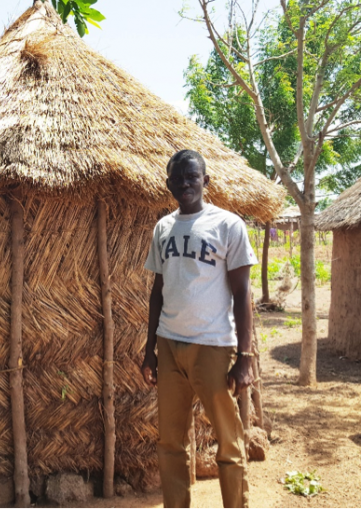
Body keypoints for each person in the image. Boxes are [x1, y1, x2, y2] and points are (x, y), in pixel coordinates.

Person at [141, 149, 256, 509]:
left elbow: (242, 293)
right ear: (168, 183)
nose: (185, 184)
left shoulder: (227, 225)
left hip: (212, 346)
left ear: (206, 181)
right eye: (177, 178)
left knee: (229, 441)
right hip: (169, 345)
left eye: (192, 177)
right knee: (170, 443)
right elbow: (158, 292)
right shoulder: (163, 228)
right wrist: (149, 350)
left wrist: (245, 356)